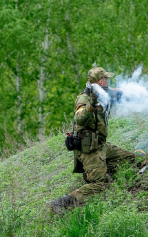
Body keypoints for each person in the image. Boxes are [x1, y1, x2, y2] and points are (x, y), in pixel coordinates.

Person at [49, 67, 135, 213]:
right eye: (106, 78)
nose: (108, 80)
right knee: (102, 184)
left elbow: (116, 93)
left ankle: (97, 171)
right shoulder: (84, 99)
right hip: (88, 149)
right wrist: (92, 105)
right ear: (101, 81)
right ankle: (62, 203)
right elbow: (79, 118)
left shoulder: (104, 93)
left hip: (101, 145)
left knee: (130, 159)